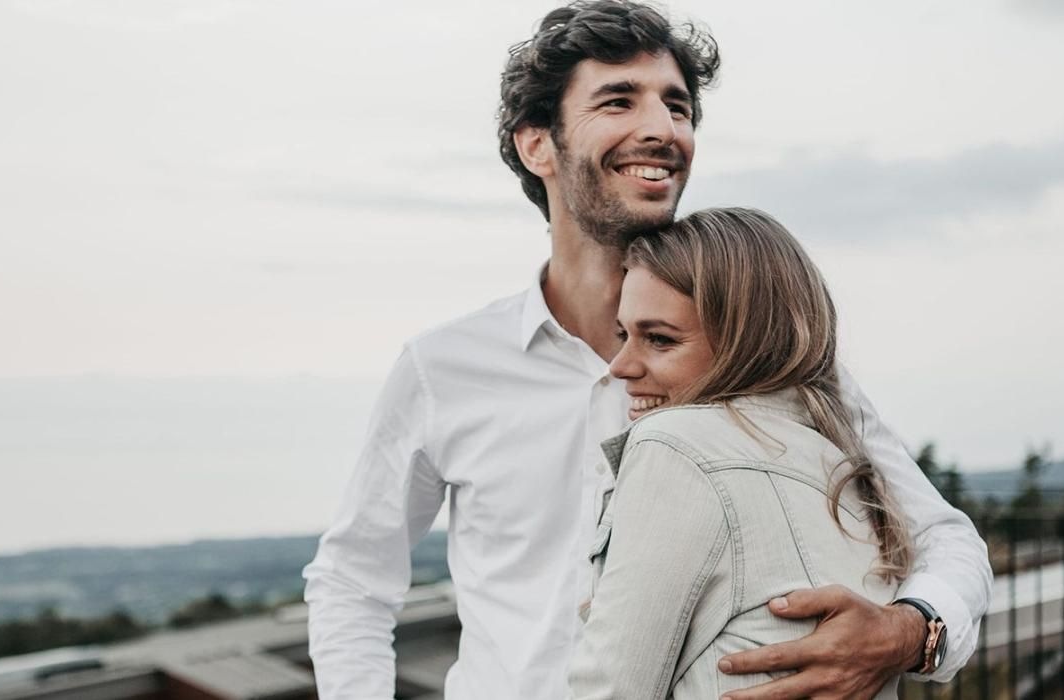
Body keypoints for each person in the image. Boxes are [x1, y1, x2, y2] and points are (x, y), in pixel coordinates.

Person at [301, 2, 991, 698]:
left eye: (678, 107)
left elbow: (945, 538)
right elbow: (352, 581)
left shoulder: (762, 355)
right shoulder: (443, 367)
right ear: (538, 143)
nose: (662, 129)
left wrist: (909, 632)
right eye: (618, 100)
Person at [571, 207, 932, 698]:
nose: (620, 366)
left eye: (659, 339)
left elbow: (610, 689)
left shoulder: (676, 444)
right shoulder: (843, 466)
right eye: (624, 335)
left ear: (746, 341)